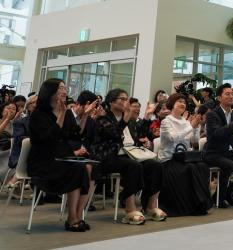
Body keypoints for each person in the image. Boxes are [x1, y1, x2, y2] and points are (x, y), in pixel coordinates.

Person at [27, 79, 93, 232]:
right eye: (60, 88)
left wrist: (85, 116)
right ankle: (72, 219)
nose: (64, 91)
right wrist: (62, 114)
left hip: (61, 158)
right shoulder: (38, 114)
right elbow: (49, 139)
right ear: (49, 92)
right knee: (78, 169)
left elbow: (75, 136)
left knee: (91, 168)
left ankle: (76, 216)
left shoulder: (67, 113)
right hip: (43, 163)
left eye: (64, 88)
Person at [91, 88, 165, 224]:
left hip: (130, 154)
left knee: (156, 165)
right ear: (112, 102)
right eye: (122, 99)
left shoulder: (129, 120)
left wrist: (147, 117)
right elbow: (113, 134)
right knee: (133, 167)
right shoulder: (103, 118)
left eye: (126, 99)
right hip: (109, 156)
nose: (126, 102)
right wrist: (124, 120)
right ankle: (129, 208)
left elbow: (142, 134)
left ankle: (151, 206)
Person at [157, 93, 211, 216]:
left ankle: (199, 204)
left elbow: (193, 141)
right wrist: (191, 126)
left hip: (183, 158)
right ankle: (188, 206)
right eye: (179, 101)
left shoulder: (185, 121)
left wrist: (196, 128)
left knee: (202, 167)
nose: (182, 104)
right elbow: (173, 138)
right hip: (169, 160)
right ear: (172, 104)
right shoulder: (166, 122)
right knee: (190, 168)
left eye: (184, 102)